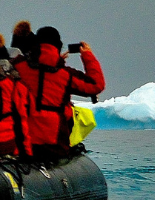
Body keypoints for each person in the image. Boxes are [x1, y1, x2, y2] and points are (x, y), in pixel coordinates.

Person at [15, 27, 104, 163]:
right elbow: (96, 85)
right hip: (54, 146)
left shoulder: (18, 66)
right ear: (59, 46)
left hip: (21, 144)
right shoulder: (65, 75)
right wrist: (87, 55)